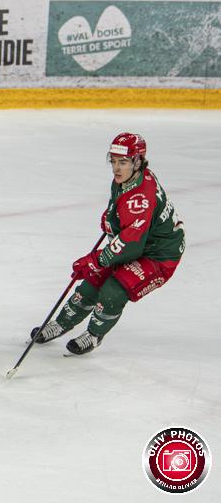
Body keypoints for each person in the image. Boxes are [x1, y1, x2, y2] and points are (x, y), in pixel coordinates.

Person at [32, 133, 185, 355]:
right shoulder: (131, 178)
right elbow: (125, 215)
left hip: (159, 255)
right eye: (113, 161)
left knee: (114, 290)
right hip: (141, 243)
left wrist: (96, 259)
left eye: (122, 162)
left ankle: (94, 335)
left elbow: (131, 244)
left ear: (138, 161)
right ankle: (61, 323)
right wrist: (112, 219)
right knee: (92, 282)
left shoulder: (140, 198)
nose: (116, 168)